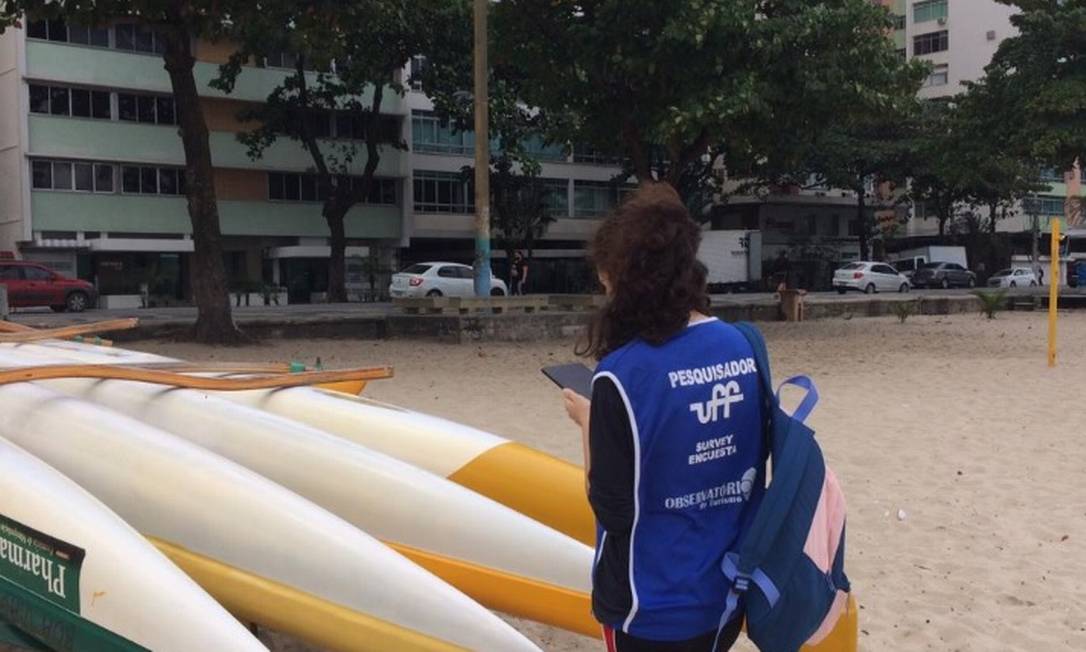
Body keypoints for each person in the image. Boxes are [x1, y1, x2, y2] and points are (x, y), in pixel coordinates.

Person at [561, 183, 766, 652]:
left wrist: (589, 424)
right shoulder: (743, 347)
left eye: (606, 279)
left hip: (648, 608)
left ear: (625, 280)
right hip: (727, 594)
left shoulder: (620, 376)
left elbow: (612, 508)